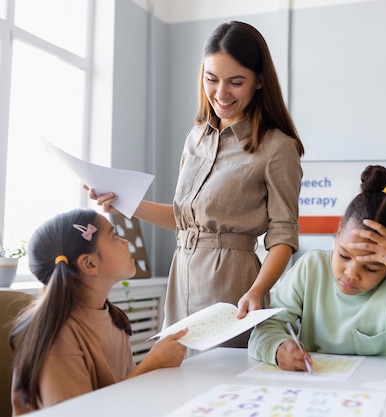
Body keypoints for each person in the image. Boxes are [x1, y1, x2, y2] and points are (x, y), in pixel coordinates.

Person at [85, 21, 305, 348]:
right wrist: (124, 202)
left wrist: (257, 290)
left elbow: (283, 235)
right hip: (182, 272)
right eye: (211, 79)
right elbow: (184, 217)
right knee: (177, 376)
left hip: (232, 280)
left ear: (259, 81)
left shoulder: (276, 148)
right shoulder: (196, 138)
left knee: (223, 383)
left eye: (236, 82)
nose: (220, 93)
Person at [248, 165, 386, 372]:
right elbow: (266, 329)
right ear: (338, 232)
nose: (351, 273)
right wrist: (277, 348)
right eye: (343, 256)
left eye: (370, 268)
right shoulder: (311, 268)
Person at [10, 209, 187, 414]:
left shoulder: (114, 317)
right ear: (89, 264)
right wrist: (151, 364)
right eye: (113, 236)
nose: (125, 242)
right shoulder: (56, 338)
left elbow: (125, 398)